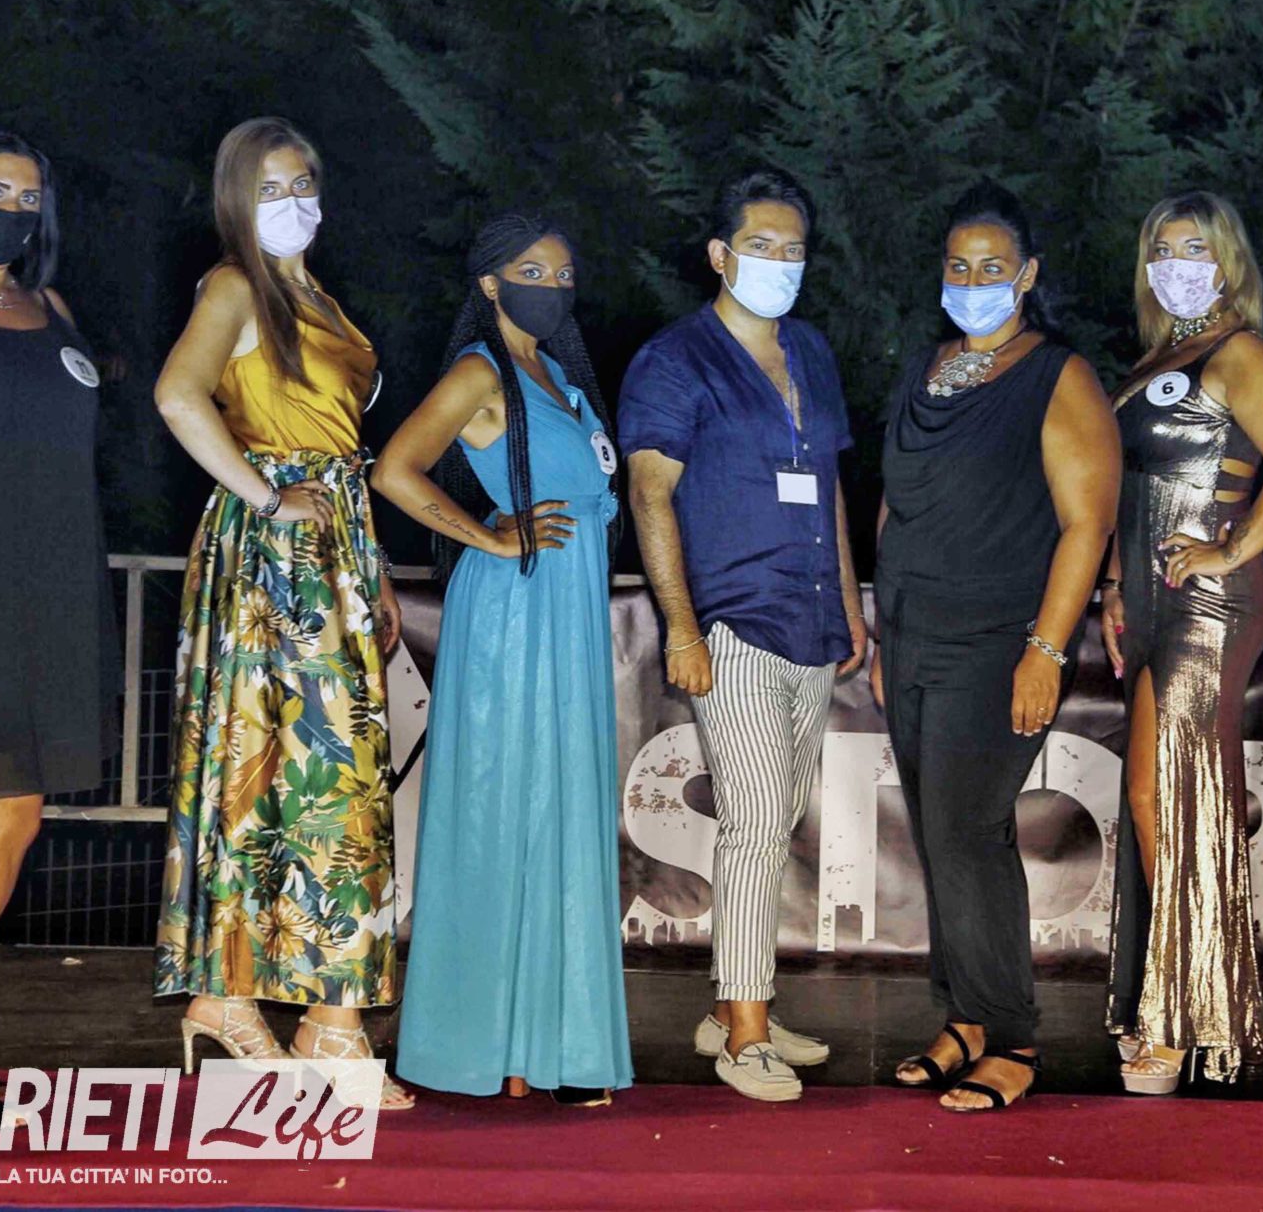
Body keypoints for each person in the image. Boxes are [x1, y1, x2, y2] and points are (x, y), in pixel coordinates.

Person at [152, 117, 409, 1110]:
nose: (292, 201)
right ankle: (305, 1015)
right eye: (268, 188)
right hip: (275, 558)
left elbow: (343, 449)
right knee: (306, 774)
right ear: (234, 199)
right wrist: (265, 499)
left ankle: (253, 1002)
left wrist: (371, 569)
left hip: (334, 546)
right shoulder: (234, 286)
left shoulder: (318, 298)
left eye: (302, 182)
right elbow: (179, 397)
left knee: (325, 777)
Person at [619, 167, 864, 1103]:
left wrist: (848, 605)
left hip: (810, 617)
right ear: (720, 254)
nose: (780, 262)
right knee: (756, 821)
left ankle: (732, 1009)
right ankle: (746, 1038)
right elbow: (651, 492)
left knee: (779, 813)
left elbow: (828, 486)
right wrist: (682, 625)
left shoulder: (811, 349)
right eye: (761, 246)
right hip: (730, 618)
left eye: (794, 248)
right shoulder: (675, 358)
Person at [378, 214, 633, 1107]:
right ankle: (472, 1042)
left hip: (567, 612)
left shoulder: (558, 374)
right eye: (532, 271)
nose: (551, 286)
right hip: (515, 612)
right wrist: (486, 536)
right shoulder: (480, 371)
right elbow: (395, 469)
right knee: (499, 813)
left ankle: (551, 1046)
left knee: (558, 813)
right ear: (490, 284)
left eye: (563, 273)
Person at [879, 182, 1120, 1114]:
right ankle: (965, 1018)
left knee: (971, 831)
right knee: (938, 835)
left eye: (992, 267)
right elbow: (896, 499)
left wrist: (1046, 650)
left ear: (1026, 275)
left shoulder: (1058, 375)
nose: (972, 282)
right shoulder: (930, 366)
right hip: (913, 632)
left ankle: (1011, 1033)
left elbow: (1087, 522)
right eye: (958, 266)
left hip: (997, 639)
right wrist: (884, 619)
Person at [1099, 191, 1263, 1094]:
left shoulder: (1244, 355)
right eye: (1162, 248)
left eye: (1194, 248)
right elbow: (1127, 484)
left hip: (1210, 598)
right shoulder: (1157, 360)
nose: (1175, 264)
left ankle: (1184, 1016)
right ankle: (1174, 996)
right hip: (1150, 596)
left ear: (1228, 261)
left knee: (1170, 796)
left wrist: (1229, 549)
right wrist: (1116, 583)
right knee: (1153, 797)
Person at [0, 128, 114, 1136]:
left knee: (1, 818)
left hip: (38, 596)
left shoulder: (50, 310)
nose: (9, 208)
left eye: (26, 195)